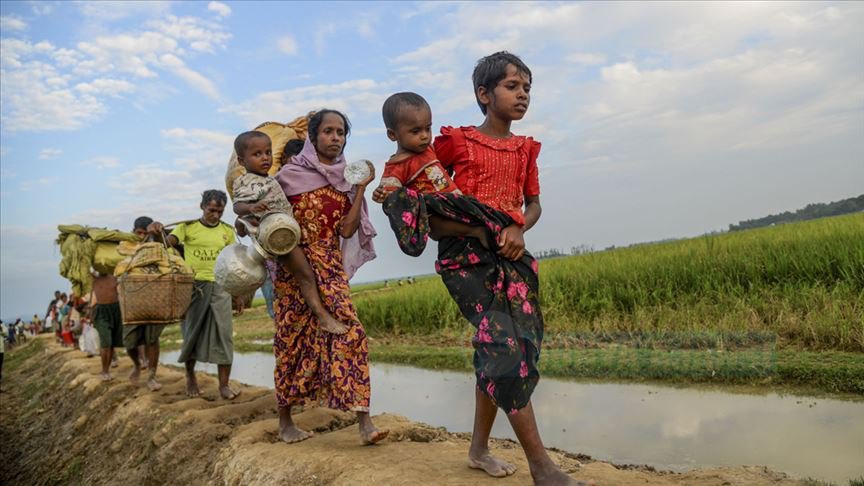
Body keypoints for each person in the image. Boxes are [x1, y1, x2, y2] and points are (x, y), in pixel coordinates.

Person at [375, 52, 587, 485]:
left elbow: (533, 204)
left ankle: (477, 450)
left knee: (507, 349)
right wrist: (478, 232)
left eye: (527, 87)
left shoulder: (526, 150)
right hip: (465, 260)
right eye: (512, 86)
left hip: (511, 260)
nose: (523, 94)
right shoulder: (455, 142)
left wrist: (517, 228)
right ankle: (542, 467)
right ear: (484, 94)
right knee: (503, 349)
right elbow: (427, 208)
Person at [268, 109, 386, 445]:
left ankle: (364, 422)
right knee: (291, 343)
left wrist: (361, 188)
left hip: (330, 268)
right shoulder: (288, 178)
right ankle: (286, 422)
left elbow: (348, 229)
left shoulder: (347, 179)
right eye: (329, 132)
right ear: (313, 137)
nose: (335, 138)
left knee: (351, 333)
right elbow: (271, 225)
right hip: (293, 271)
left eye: (341, 133)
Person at [232, 131, 345, 333]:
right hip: (276, 236)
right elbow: (238, 206)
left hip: (284, 230)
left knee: (304, 277)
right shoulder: (245, 182)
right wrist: (251, 208)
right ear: (242, 160)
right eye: (257, 154)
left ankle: (316, 317)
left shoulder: (268, 179)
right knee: (305, 275)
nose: (265, 158)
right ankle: (323, 317)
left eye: (267, 152)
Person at [161, 190, 239, 400]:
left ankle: (223, 385)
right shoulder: (187, 227)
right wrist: (158, 232)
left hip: (221, 286)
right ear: (202, 207)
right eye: (211, 210)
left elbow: (233, 259)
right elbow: (169, 242)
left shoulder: (227, 231)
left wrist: (240, 294)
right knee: (191, 332)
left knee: (225, 334)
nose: (215, 215)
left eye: (220, 211)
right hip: (193, 286)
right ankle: (190, 377)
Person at [122, 216, 169, 391]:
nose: (142, 236)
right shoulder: (127, 245)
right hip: (132, 300)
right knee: (130, 342)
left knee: (152, 339)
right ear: (134, 231)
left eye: (144, 233)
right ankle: (136, 364)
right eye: (139, 233)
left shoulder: (157, 245)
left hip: (154, 298)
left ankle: (151, 376)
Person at [90, 273, 123, 381]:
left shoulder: (115, 276)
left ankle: (107, 370)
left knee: (112, 344)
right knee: (106, 342)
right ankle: (104, 371)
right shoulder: (93, 278)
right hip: (101, 311)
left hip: (116, 310)